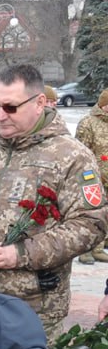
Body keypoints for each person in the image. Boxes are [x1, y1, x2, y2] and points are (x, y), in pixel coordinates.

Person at [0, 64, 108, 344]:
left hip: (30, 310)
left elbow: (91, 225)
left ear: (39, 103)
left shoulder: (70, 157)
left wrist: (23, 253)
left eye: (11, 107)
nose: (0, 116)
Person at [75, 88, 108, 265]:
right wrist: (90, 176)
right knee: (91, 215)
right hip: (92, 179)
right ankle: (85, 251)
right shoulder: (88, 123)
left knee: (105, 216)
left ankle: (98, 248)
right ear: (104, 105)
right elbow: (81, 153)